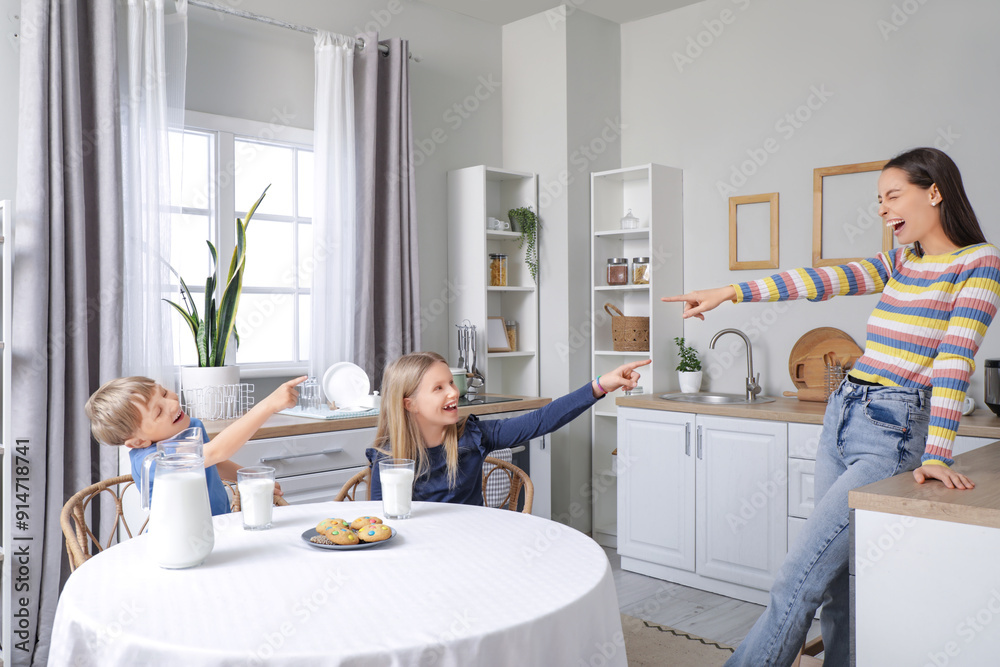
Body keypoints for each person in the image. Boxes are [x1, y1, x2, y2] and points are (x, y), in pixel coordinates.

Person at [663, 147, 1000, 667]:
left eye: (893, 195)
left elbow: (955, 359)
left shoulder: (978, 262)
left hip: (893, 430)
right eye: (879, 200)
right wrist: (730, 291)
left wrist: (938, 453)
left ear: (934, 191)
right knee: (840, 583)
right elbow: (816, 281)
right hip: (842, 416)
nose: (884, 209)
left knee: (797, 578)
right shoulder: (902, 262)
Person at [366, 351, 650, 504]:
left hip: (475, 548)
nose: (453, 393)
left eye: (451, 383)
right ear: (410, 404)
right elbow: (382, 524)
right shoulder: (389, 459)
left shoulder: (472, 436)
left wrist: (600, 386)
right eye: (438, 388)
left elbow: (542, 420)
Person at [85, 375, 305, 515]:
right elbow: (216, 451)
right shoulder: (152, 460)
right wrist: (267, 405)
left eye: (163, 393)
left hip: (219, 524)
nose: (172, 404)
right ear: (139, 442)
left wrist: (244, 477)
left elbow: (212, 462)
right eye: (159, 411)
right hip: (179, 540)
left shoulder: (192, 429)